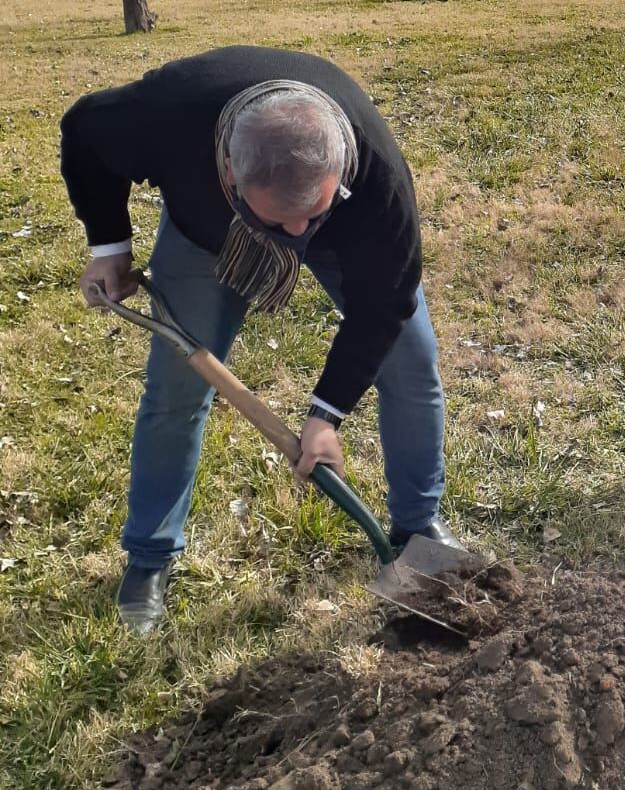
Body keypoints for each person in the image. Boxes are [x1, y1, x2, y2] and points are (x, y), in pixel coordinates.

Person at [60, 48, 460, 632]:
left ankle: (418, 525)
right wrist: (110, 248)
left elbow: (386, 301)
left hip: (345, 234)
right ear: (228, 172)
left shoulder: (374, 175)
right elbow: (84, 130)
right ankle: (149, 557)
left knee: (411, 360)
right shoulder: (167, 113)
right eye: (279, 220)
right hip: (207, 235)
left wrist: (325, 416)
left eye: (312, 212)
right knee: (176, 392)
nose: (296, 233)